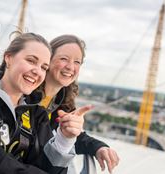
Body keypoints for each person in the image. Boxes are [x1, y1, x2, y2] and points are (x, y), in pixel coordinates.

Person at [0, 32, 92, 173]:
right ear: (8, 58)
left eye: (44, 67)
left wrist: (65, 140)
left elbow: (47, 169)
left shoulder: (37, 116)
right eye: (31, 61)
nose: (37, 71)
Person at [37, 34, 120, 173]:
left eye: (77, 62)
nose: (70, 67)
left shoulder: (61, 102)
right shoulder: (27, 96)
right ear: (48, 59)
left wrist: (99, 147)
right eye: (64, 59)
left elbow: (71, 135)